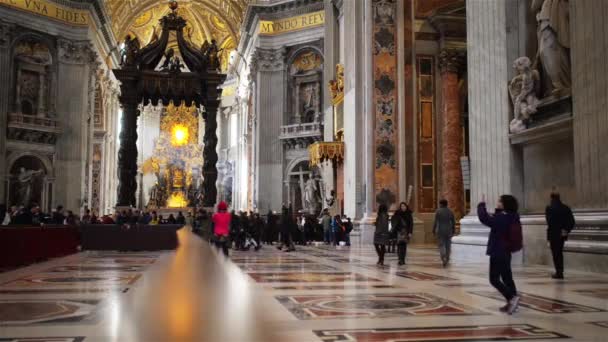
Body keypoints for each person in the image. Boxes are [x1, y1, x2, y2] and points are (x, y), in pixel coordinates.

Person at [478, 194, 521, 315]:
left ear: (504, 204)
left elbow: (484, 218)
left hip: (498, 251)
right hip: (506, 251)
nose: (497, 202)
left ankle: (512, 298)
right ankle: (512, 302)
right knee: (507, 278)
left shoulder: (502, 217)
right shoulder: (512, 216)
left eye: (499, 201)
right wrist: (497, 212)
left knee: (494, 279)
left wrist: (481, 205)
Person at [545, 192, 575, 279]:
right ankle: (560, 271)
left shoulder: (549, 208)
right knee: (559, 253)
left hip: (553, 234)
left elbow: (549, 222)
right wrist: (566, 229)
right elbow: (572, 221)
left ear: (551, 198)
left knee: (555, 253)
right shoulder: (566, 208)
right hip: (562, 234)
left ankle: (558, 272)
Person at [433, 199, 456, 267]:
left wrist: (433, 230)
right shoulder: (450, 211)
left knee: (441, 245)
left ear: (441, 204)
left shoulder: (438, 211)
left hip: (440, 231)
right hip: (448, 230)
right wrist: (453, 230)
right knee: (448, 245)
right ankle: (447, 258)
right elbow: (453, 222)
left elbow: (435, 222)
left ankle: (443, 257)